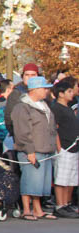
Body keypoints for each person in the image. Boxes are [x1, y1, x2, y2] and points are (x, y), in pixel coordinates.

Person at [13, 76, 59, 221]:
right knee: (30, 179)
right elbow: (22, 131)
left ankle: (38, 209)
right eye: (44, 88)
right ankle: (26, 209)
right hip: (32, 149)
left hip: (45, 148)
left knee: (40, 182)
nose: (47, 91)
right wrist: (29, 150)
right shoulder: (22, 106)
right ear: (35, 89)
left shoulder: (43, 104)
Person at [50, 77, 79, 218]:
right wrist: (59, 147)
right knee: (61, 178)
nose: (71, 93)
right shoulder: (57, 108)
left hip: (74, 147)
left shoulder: (68, 108)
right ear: (60, 93)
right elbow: (55, 129)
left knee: (70, 178)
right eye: (68, 91)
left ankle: (67, 203)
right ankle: (60, 204)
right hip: (64, 147)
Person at [4, 63, 39, 135]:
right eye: (27, 75)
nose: (30, 78)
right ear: (23, 76)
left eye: (33, 75)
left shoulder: (42, 92)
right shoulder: (16, 94)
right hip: (23, 137)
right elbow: (9, 117)